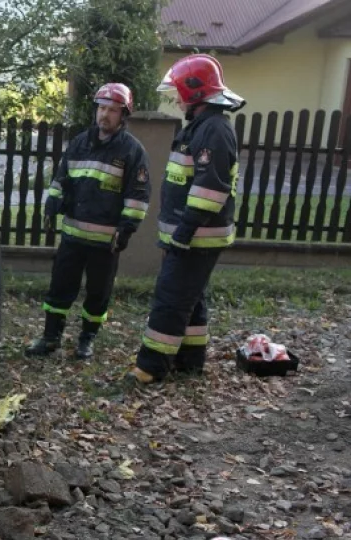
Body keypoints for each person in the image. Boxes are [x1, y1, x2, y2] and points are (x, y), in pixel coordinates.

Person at [127, 53, 245, 385]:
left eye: (179, 92)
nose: (177, 99)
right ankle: (190, 361)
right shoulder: (203, 127)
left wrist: (184, 231)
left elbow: (210, 189)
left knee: (171, 298)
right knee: (191, 300)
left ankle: (150, 367)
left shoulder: (213, 131)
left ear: (194, 92)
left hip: (196, 236)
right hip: (194, 235)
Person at [25, 83, 151, 359]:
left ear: (123, 115)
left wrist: (126, 230)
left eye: (112, 110)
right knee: (60, 287)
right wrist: (51, 204)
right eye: (102, 108)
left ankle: (87, 339)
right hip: (72, 236)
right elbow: (61, 177)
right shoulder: (80, 142)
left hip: (106, 243)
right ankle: (50, 337)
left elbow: (138, 196)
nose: (104, 115)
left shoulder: (132, 151)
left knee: (98, 294)